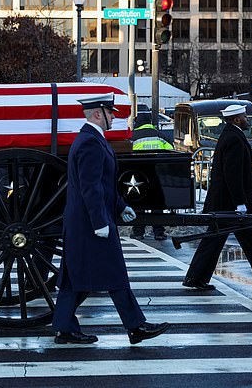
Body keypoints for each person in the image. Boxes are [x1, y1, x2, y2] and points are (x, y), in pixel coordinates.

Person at [52, 93, 169, 345]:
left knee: (76, 277)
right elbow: (90, 187)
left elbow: (103, 186)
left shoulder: (92, 140)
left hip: (88, 222)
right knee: (113, 273)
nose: (114, 116)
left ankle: (64, 327)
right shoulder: (90, 143)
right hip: (90, 224)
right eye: (110, 112)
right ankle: (135, 326)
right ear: (98, 114)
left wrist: (121, 205)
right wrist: (100, 222)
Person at [183, 104, 252, 292]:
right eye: (244, 117)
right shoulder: (234, 139)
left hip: (226, 202)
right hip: (230, 204)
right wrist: (240, 202)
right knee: (241, 240)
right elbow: (233, 174)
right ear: (237, 119)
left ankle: (196, 277)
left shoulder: (231, 135)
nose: (247, 120)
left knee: (231, 239)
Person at [130, 111, 172, 241]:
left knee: (139, 203)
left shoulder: (132, 137)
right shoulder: (161, 136)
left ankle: (138, 231)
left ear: (137, 122)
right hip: (157, 175)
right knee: (157, 204)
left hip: (138, 176)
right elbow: (171, 151)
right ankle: (159, 232)